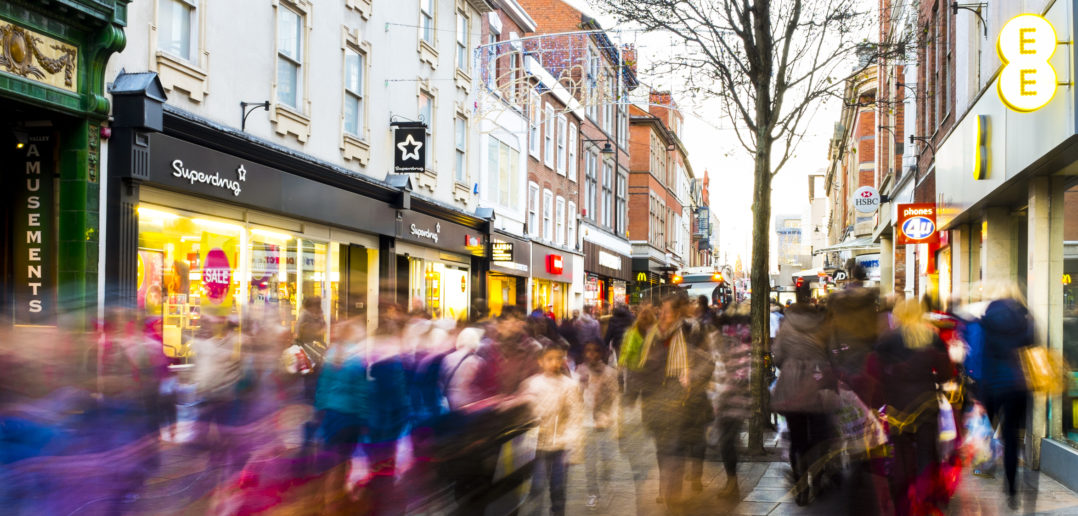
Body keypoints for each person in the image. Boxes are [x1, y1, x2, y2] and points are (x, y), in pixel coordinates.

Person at [865, 299, 954, 516]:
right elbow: (946, 373)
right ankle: (923, 498)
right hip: (926, 403)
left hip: (897, 405)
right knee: (926, 451)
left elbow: (874, 372)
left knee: (901, 452)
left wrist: (875, 403)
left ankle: (902, 498)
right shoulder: (931, 337)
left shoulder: (886, 341)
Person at [770, 292, 835, 506]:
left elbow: (777, 356)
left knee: (797, 439)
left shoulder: (785, 327)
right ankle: (817, 478)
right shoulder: (821, 325)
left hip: (792, 387)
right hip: (818, 384)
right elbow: (831, 354)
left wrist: (791, 367)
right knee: (819, 435)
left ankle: (801, 488)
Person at [977, 290, 1034, 509]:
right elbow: (1032, 352)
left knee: (984, 431)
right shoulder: (1025, 323)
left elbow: (982, 357)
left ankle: (985, 464)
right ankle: (1011, 488)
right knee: (1012, 438)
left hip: (992, 386)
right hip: (1018, 387)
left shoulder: (987, 325)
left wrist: (980, 395)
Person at [636, 294, 691, 511]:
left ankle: (673, 494)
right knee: (662, 447)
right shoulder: (653, 335)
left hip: (678, 398)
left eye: (666, 311)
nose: (662, 315)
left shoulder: (687, 332)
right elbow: (643, 365)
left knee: (675, 447)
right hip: (655, 398)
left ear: (677, 314)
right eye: (661, 311)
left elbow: (700, 360)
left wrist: (686, 385)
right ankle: (665, 484)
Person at [519, 341, 583, 516]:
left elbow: (575, 416)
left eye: (559, 359)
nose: (554, 363)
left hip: (560, 446)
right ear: (540, 361)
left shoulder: (569, 386)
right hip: (537, 446)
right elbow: (525, 415)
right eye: (549, 359)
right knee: (537, 487)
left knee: (558, 487)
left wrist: (574, 447)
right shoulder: (531, 384)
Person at [713, 302, 751, 498]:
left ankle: (732, 482)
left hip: (730, 401)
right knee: (727, 442)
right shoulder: (730, 342)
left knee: (727, 442)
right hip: (728, 400)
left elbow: (741, 374)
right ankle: (731, 481)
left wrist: (723, 394)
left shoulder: (733, 344)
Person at [577, 341, 620, 509]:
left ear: (602, 353)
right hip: (586, 423)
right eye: (588, 351)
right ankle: (592, 493)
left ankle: (607, 482)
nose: (591, 355)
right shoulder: (580, 370)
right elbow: (576, 395)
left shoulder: (610, 373)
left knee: (607, 457)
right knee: (590, 461)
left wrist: (607, 415)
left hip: (604, 422)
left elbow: (614, 396)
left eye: (595, 351)